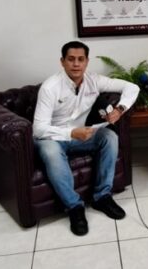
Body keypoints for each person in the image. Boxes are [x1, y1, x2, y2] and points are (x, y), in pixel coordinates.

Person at [33, 41, 139, 236]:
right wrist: (71, 133)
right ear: (62, 62)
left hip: (80, 136)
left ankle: (102, 197)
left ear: (87, 62)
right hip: (52, 138)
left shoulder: (94, 80)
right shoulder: (50, 88)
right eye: (71, 59)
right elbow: (39, 129)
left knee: (109, 137)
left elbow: (132, 87)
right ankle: (74, 207)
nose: (76, 64)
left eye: (80, 59)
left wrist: (119, 109)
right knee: (50, 151)